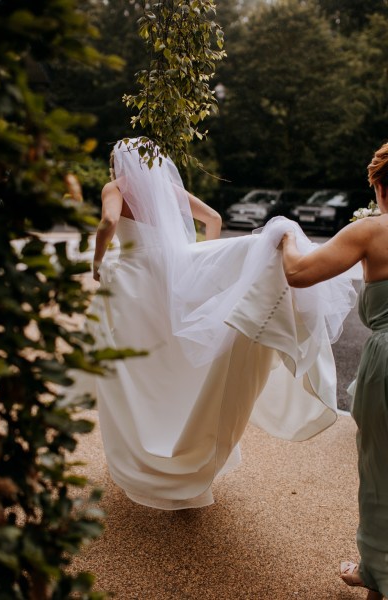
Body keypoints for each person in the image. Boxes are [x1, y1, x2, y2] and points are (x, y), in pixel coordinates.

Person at [86, 137, 356, 510]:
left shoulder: (114, 188)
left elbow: (109, 221)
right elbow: (213, 218)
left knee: (134, 370)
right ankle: (183, 446)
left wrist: (97, 263)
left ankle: (143, 453)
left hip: (132, 284)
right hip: (168, 281)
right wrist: (200, 267)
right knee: (174, 360)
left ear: (118, 164)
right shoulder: (168, 190)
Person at [279, 141, 388, 600]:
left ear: (380, 186)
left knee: (381, 469)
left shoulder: (371, 231)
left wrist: (283, 235)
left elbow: (299, 274)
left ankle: (378, 573)